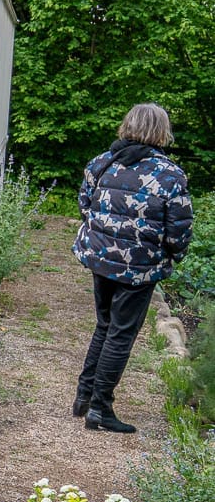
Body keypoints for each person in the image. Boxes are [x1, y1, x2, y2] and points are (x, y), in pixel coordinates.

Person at [72, 103, 192, 433]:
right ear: (160, 132)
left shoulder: (101, 163)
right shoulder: (169, 174)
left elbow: (85, 206)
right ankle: (100, 409)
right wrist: (170, 254)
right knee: (121, 333)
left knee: (105, 325)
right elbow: (179, 229)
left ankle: (84, 396)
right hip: (138, 267)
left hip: (100, 258)